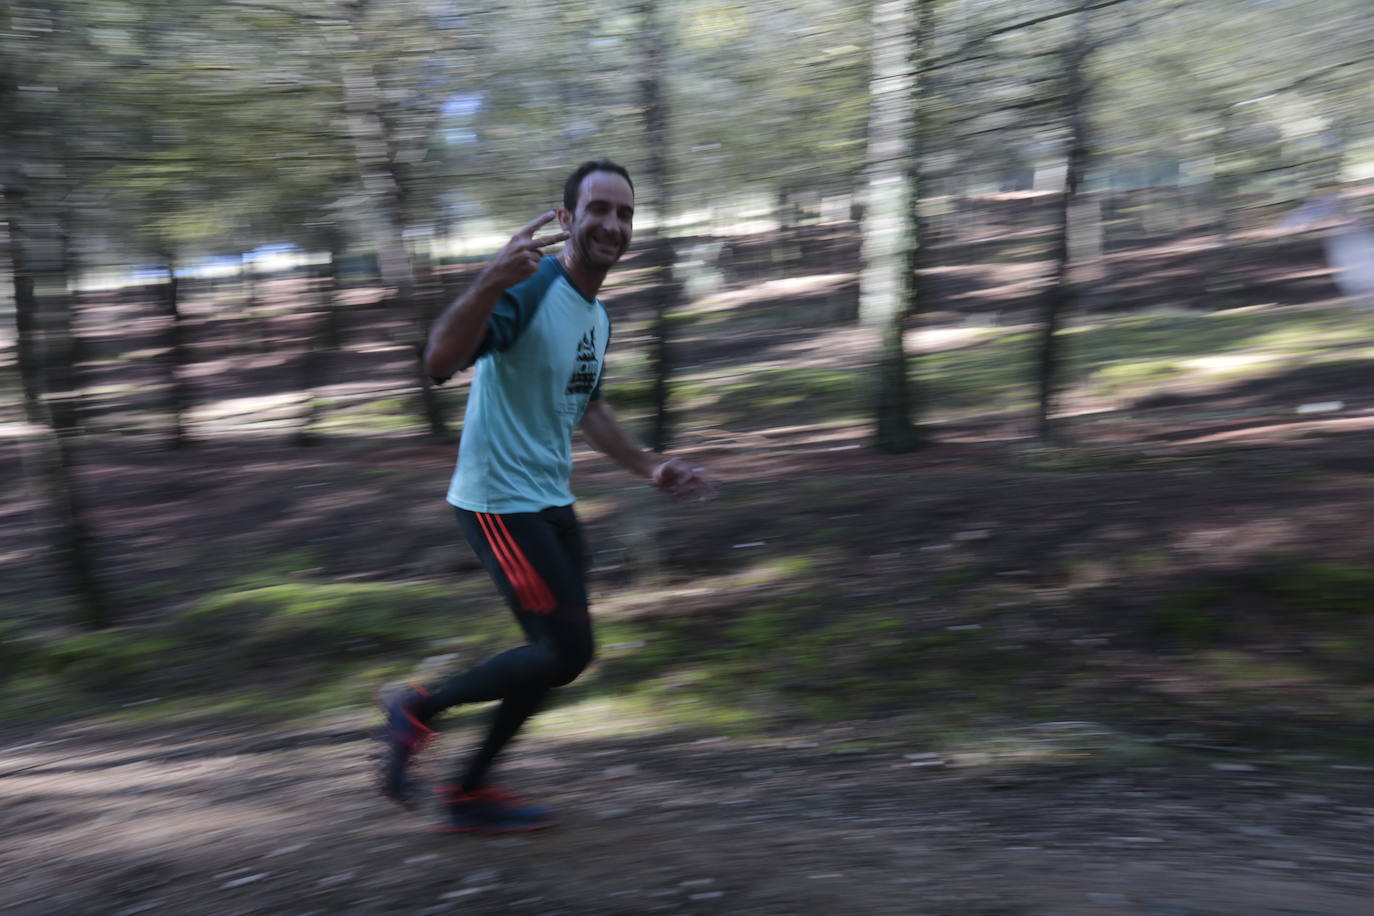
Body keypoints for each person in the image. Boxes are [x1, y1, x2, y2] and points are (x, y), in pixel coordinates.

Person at [376, 159, 715, 834]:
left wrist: (650, 468)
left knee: (550, 653)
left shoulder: (595, 317)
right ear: (567, 219)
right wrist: (485, 282)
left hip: (548, 501)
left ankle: (467, 793)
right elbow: (440, 363)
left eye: (624, 213)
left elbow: (587, 409)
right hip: (497, 502)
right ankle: (418, 707)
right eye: (598, 209)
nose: (612, 224)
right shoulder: (529, 289)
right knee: (566, 651)